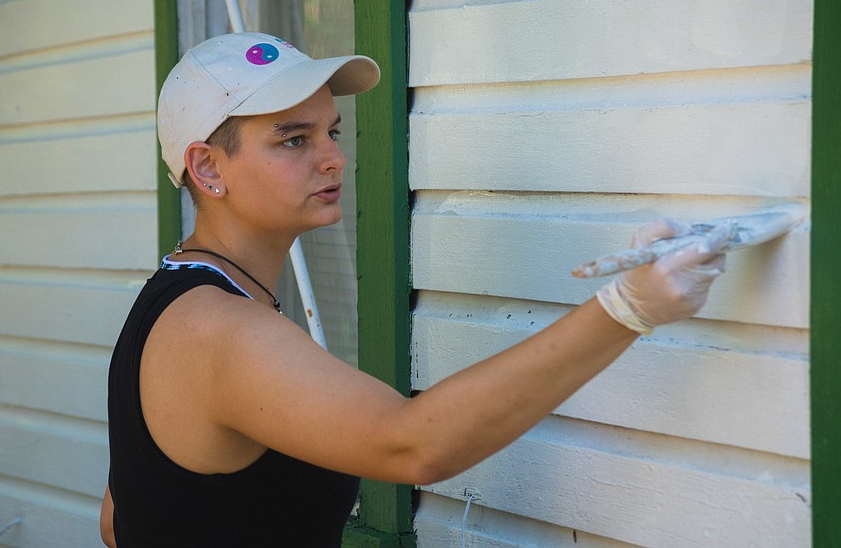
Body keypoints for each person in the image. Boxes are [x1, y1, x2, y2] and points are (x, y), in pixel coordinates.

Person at [100, 32, 726, 547]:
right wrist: (627, 309)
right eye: (294, 139)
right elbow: (414, 445)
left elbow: (116, 519)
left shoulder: (177, 301)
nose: (333, 158)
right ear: (208, 167)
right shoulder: (218, 328)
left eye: (331, 133)